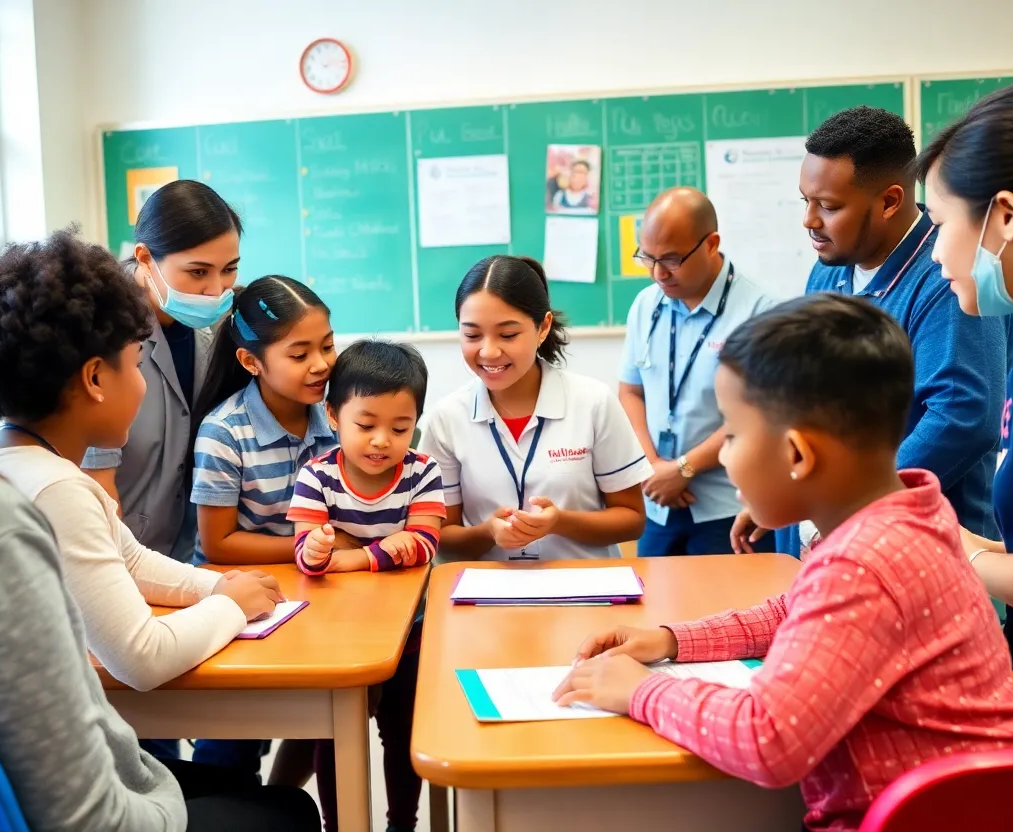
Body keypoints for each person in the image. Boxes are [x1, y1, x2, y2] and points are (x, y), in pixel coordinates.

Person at [0, 150, 320, 832]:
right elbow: (90, 809)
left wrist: (213, 592)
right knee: (275, 813)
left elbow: (122, 553)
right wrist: (162, 786)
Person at [554, 294, 1013, 832]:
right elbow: (793, 611)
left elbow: (768, 740)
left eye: (734, 436)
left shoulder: (864, 562)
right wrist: (672, 640)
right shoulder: (904, 517)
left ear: (797, 455)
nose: (721, 456)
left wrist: (638, 690)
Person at [0, 228, 285, 693]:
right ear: (96, 378)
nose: (144, 383)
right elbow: (141, 657)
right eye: (139, 361)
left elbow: (132, 561)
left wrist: (217, 588)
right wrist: (231, 607)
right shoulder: (58, 489)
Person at [736, 106, 1013, 556]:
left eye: (828, 206)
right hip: (823, 533)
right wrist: (780, 487)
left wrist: (848, 505)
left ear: (888, 201)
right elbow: (808, 396)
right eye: (804, 201)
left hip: (910, 546)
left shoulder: (948, 278)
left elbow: (962, 416)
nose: (809, 220)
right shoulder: (828, 271)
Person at [914, 80, 1013, 711]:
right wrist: (959, 539)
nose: (935, 252)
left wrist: (955, 560)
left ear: (1006, 215)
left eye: (940, 223)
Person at [188, 274, 340, 781]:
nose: (321, 364)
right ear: (252, 362)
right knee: (231, 749)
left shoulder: (335, 418)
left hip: (316, 596)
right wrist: (305, 548)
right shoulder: (225, 432)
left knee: (326, 723)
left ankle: (278, 804)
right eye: (300, 355)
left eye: (327, 345)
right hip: (243, 605)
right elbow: (217, 543)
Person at [289, 340, 444, 832]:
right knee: (334, 737)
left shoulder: (423, 472)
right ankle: (340, 825)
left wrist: (352, 557)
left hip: (411, 635)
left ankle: (403, 823)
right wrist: (317, 554)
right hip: (337, 639)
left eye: (400, 428)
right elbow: (308, 558)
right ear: (333, 415)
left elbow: (422, 545)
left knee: (402, 736)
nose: (382, 441)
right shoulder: (317, 476)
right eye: (366, 425)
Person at [421, 255, 650, 561]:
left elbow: (632, 520)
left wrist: (559, 522)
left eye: (508, 334)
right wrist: (488, 532)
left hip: (586, 594)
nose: (488, 351)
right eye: (472, 335)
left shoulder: (593, 401)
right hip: (489, 598)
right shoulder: (446, 418)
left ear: (543, 327)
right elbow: (440, 536)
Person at [83, 179, 242, 565]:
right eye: (198, 271)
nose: (215, 289)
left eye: (229, 269)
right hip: (116, 560)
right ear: (145, 257)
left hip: (185, 554)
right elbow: (98, 493)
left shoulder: (215, 327)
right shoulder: (100, 334)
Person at [620, 187, 779, 556]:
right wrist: (652, 466)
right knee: (656, 610)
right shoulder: (646, 305)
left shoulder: (760, 312)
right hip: (657, 502)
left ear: (711, 244)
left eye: (672, 259)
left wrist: (685, 469)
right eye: (648, 257)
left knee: (726, 611)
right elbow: (630, 391)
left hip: (728, 508)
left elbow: (763, 413)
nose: (658, 273)